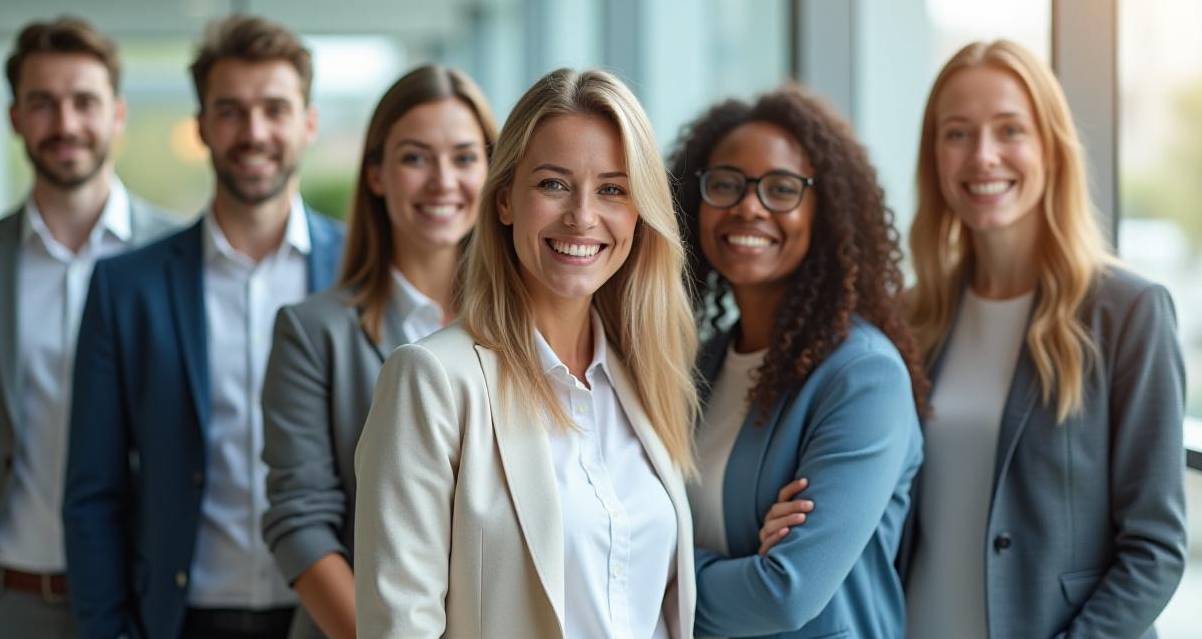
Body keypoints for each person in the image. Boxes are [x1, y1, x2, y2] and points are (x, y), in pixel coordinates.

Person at [354, 68, 700, 639]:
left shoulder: (647, 378)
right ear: (506, 200)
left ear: (640, 214)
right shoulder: (434, 380)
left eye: (612, 189)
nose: (583, 216)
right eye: (554, 184)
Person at [62, 15, 345, 639]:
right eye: (231, 111)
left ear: (308, 123)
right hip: (180, 617)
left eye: (275, 109)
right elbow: (92, 491)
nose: (255, 132)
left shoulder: (359, 274)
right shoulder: (124, 287)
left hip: (331, 617)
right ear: (202, 127)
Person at [901, 39, 1187, 639]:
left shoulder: (1128, 313)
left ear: (1051, 149)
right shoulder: (914, 317)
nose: (983, 156)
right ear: (935, 158)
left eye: (1010, 130)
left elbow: (1155, 550)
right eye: (957, 133)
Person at [0, 17, 178, 639]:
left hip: (138, 602)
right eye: (43, 103)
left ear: (117, 113)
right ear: (14, 117)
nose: (65, 125)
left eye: (84, 102)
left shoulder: (177, 256)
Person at [670, 87, 925, 638]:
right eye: (725, 184)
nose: (748, 206)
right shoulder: (699, 364)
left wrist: (648, 575)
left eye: (782, 189)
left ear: (826, 211)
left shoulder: (862, 377)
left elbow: (785, 594)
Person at [260, 64, 496, 638]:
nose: (443, 180)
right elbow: (301, 526)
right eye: (416, 158)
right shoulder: (312, 333)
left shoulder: (522, 331)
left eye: (465, 157)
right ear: (376, 174)